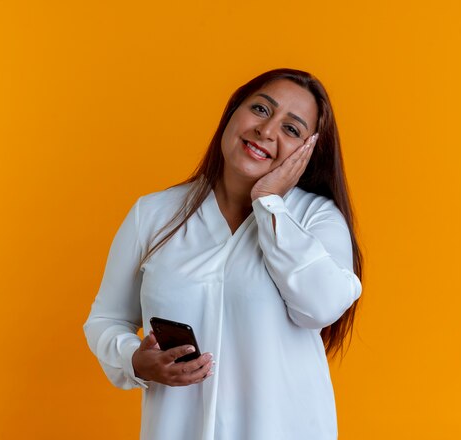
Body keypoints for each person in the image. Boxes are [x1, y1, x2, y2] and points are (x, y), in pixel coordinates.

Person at [83, 68, 363, 440]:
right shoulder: (153, 215)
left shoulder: (316, 220)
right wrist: (133, 359)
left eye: (292, 129)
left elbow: (321, 305)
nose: (267, 130)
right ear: (232, 112)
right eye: (261, 109)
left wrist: (269, 203)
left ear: (308, 152)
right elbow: (106, 319)